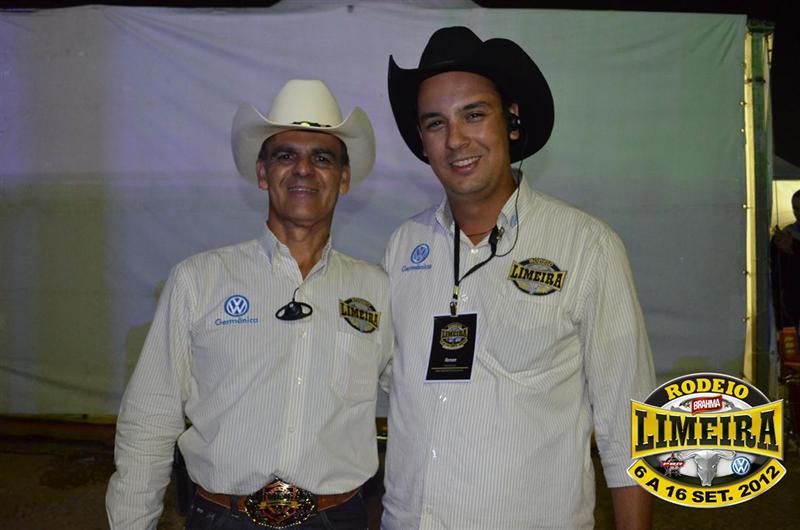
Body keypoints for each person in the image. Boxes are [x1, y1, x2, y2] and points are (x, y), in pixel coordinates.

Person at [381, 26, 656, 529]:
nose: (456, 140)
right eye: (436, 123)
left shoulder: (585, 246)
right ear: (422, 140)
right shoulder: (403, 247)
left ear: (511, 120)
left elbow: (629, 423)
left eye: (474, 114)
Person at [106, 79, 393, 530]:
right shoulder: (199, 280)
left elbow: (421, 403)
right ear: (263, 173)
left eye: (322, 158)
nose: (303, 170)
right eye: (285, 156)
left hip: (337, 519)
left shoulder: (377, 290)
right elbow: (150, 418)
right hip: (223, 517)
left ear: (343, 178)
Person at [771, 189, 800, 330]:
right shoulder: (787, 233)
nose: (798, 212)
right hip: (792, 299)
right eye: (795, 208)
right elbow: (777, 270)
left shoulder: (789, 236)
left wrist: (792, 247)